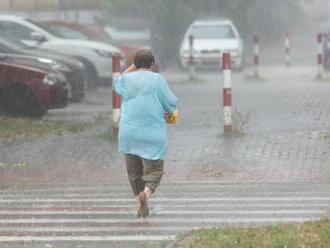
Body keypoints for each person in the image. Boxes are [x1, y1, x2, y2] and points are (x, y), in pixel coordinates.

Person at [114, 49, 178, 218]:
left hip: (128, 133)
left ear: (135, 64)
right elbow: (172, 102)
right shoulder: (157, 80)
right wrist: (167, 110)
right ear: (152, 63)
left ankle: (139, 203)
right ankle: (147, 194)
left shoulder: (126, 80)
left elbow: (117, 81)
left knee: (134, 173)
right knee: (154, 170)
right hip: (152, 133)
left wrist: (132, 66)